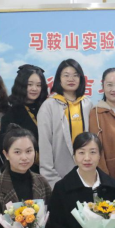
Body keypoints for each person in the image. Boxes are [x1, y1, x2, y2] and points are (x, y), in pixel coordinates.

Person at [38, 58, 93, 188]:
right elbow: (45, 144)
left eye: (75, 75)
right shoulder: (49, 106)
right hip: (59, 174)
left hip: (86, 172)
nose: (71, 79)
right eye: (66, 75)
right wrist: (50, 176)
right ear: (59, 79)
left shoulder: (87, 104)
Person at [1, 64, 48, 174]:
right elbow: (6, 146)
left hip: (48, 169)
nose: (34, 89)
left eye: (38, 85)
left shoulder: (47, 108)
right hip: (22, 170)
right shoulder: (11, 113)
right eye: (29, 84)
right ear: (21, 85)